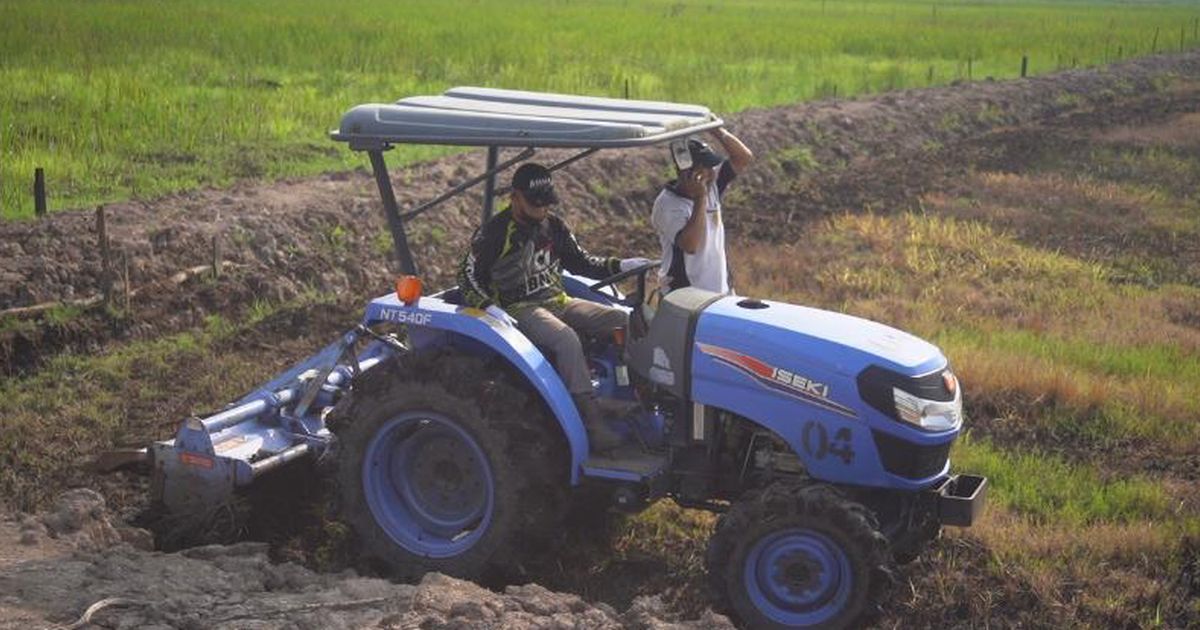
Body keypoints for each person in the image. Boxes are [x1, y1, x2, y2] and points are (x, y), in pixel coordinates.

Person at [457, 162, 651, 452]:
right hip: (519, 308)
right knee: (565, 339)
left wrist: (620, 265)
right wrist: (488, 306)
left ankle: (635, 393)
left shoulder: (553, 225)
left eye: (547, 203)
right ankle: (590, 420)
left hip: (558, 301)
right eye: (536, 204)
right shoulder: (494, 233)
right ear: (516, 197)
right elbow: (466, 275)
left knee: (624, 319)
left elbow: (582, 262)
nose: (543, 210)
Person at [650, 127, 754, 295]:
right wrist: (700, 199)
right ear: (687, 171)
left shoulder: (711, 185)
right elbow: (691, 245)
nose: (712, 171)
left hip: (721, 292)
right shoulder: (667, 205)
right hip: (686, 298)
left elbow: (744, 157)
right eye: (706, 167)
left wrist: (717, 130)